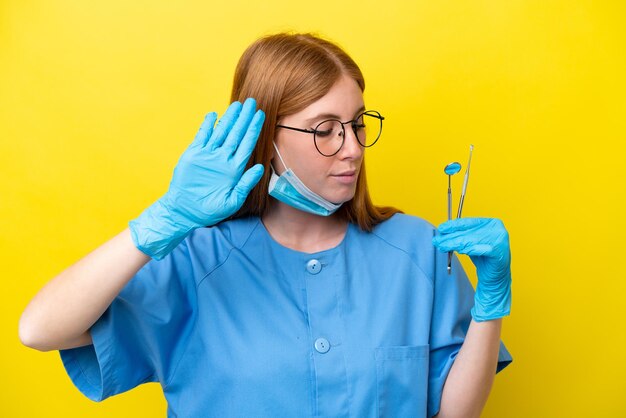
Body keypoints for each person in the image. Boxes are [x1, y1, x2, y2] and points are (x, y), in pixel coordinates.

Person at [19, 32, 513, 418]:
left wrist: (489, 308)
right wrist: (161, 220)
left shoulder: (418, 249)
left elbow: (454, 411)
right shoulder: (197, 261)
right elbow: (40, 329)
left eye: (359, 123)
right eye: (325, 130)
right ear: (264, 139)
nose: (354, 148)